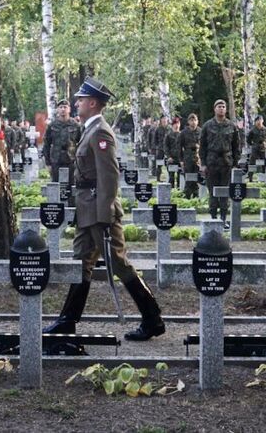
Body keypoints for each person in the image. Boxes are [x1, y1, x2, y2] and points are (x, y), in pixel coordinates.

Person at [44, 77, 165, 341]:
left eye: (80, 100)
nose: (76, 104)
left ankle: (152, 318)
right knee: (81, 263)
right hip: (87, 208)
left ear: (93, 102)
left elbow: (109, 176)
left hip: (99, 211)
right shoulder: (89, 128)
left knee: (119, 264)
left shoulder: (100, 131)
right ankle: (68, 320)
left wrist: (105, 214)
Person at [200, 99, 240, 227]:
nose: (221, 108)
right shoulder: (207, 125)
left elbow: (236, 146)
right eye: (219, 106)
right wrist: (203, 164)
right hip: (211, 162)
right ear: (214, 109)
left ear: (226, 109)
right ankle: (213, 217)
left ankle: (223, 218)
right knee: (212, 191)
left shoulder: (232, 126)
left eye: (223, 106)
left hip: (226, 163)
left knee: (225, 191)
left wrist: (235, 163)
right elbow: (202, 146)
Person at [42, 99, 81, 183]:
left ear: (69, 109)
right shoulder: (52, 126)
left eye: (65, 107)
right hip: (56, 161)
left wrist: (79, 162)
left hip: (71, 161)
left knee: (71, 186)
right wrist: (48, 163)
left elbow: (81, 144)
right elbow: (46, 145)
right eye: (61, 107)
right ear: (57, 110)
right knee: (56, 185)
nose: (63, 109)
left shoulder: (76, 125)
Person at [178, 113, 202, 198]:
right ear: (188, 121)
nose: (193, 122)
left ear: (197, 121)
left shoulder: (201, 131)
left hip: (198, 158)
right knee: (188, 178)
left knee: (197, 179)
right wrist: (181, 160)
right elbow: (179, 147)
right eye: (191, 120)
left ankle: (196, 196)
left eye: (195, 120)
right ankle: (187, 197)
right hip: (187, 158)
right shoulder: (184, 133)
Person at [164, 116, 182, 188]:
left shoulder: (182, 134)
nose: (176, 125)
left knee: (180, 177)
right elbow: (166, 147)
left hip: (180, 159)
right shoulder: (168, 135)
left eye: (178, 123)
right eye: (175, 124)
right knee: (171, 177)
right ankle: (171, 191)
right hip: (171, 159)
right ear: (172, 125)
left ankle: (178, 191)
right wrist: (168, 157)